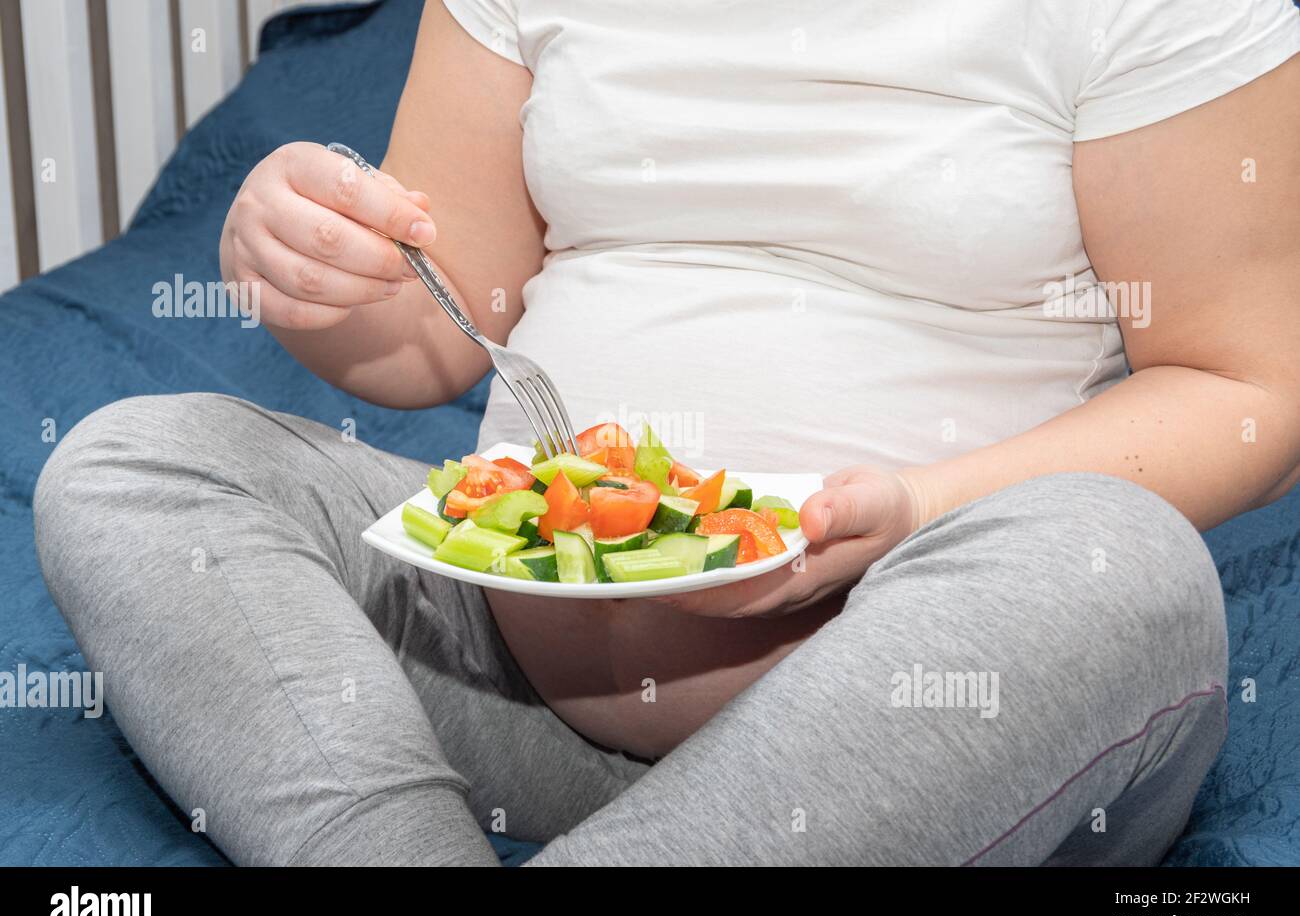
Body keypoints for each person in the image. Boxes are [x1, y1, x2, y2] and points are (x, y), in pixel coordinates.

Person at [34, 0, 1300, 865]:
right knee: (141, 464)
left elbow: (1247, 384)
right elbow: (435, 327)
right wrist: (312, 268)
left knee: (1126, 571)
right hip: (511, 677)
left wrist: (915, 511)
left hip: (935, 708)